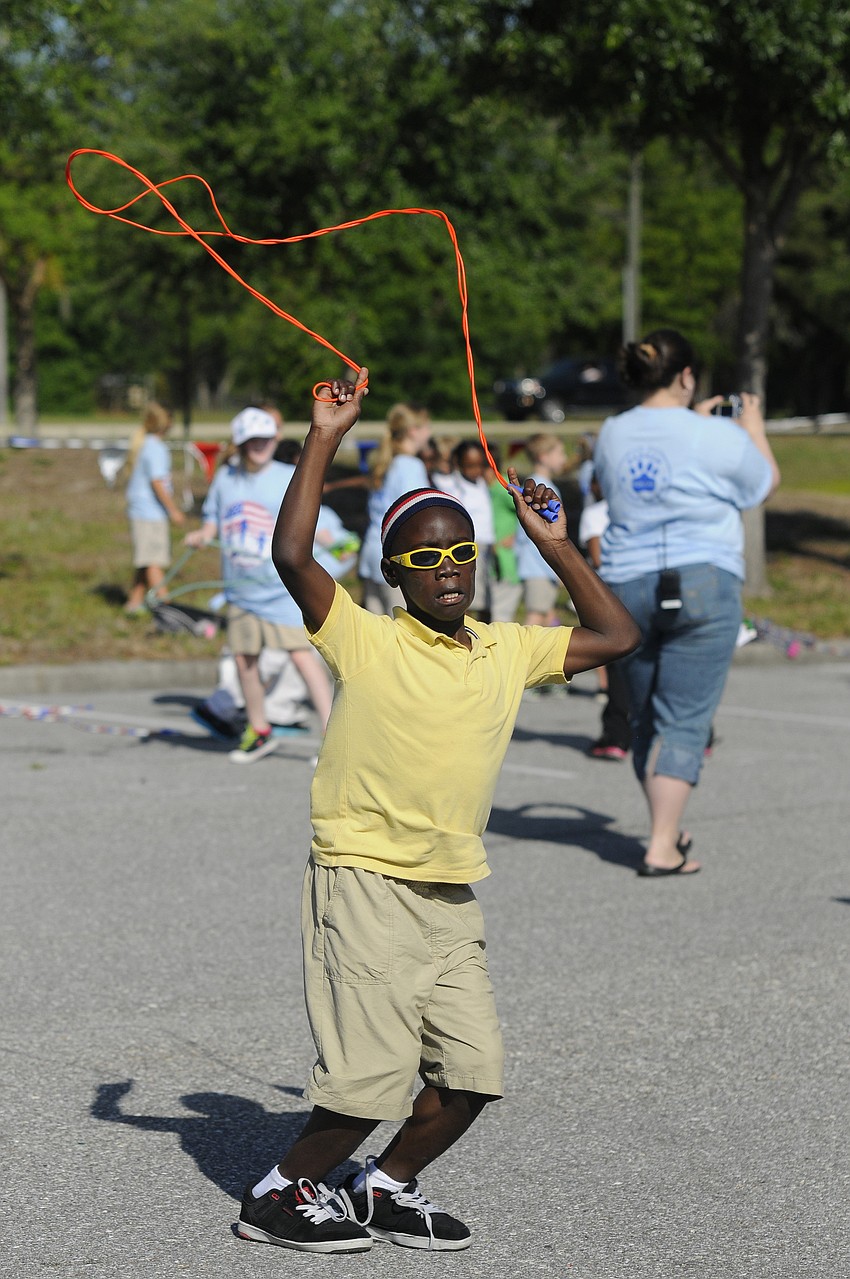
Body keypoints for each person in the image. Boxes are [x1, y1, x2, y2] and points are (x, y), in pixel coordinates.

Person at [232, 367, 640, 1254]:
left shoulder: (506, 649)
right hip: (366, 877)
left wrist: (552, 542)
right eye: (423, 557)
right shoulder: (366, 638)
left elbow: (616, 635)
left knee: (473, 1073)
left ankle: (382, 1185)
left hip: (449, 890)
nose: (446, 567)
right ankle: (278, 1192)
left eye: (459, 551)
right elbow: (293, 557)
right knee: (370, 1079)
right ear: (392, 573)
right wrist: (326, 438)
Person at [594, 329, 780, 876]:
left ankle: (667, 830)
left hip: (627, 583)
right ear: (686, 376)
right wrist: (752, 427)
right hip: (704, 578)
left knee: (644, 712)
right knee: (686, 717)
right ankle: (660, 844)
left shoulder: (611, 433)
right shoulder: (713, 436)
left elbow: (609, 487)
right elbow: (762, 484)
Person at [185, 407, 334, 763]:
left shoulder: (288, 474)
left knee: (302, 657)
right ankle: (259, 729)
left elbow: (310, 513)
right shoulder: (226, 479)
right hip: (242, 590)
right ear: (239, 444)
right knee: (244, 660)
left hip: (280, 590)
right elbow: (212, 518)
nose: (258, 446)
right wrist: (203, 534)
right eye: (251, 441)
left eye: (265, 439)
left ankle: (333, 737)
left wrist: (324, 533)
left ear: (275, 439)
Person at [357, 402, 432, 613]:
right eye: (427, 427)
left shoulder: (386, 462)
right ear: (413, 431)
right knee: (400, 630)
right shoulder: (410, 466)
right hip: (396, 555)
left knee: (375, 631)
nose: (429, 433)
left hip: (372, 551)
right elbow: (415, 516)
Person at [578, 471, 632, 760]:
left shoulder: (595, 514)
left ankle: (617, 736)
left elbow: (597, 558)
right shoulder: (636, 509)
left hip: (614, 592)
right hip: (645, 586)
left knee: (618, 669)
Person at [123, 403, 185, 614]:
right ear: (166, 424)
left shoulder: (147, 445)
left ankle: (134, 603)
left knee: (145, 558)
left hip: (144, 511)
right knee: (152, 561)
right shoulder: (156, 449)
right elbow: (157, 483)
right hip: (148, 513)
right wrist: (173, 510)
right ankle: (167, 608)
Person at [513, 433, 568, 627]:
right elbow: (544, 533)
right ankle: (522, 657)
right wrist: (557, 566)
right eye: (560, 453)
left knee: (546, 615)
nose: (564, 458)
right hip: (539, 565)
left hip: (540, 565)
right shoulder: (541, 488)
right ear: (544, 456)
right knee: (535, 618)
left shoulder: (538, 485)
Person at [436, 440, 495, 618]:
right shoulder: (452, 486)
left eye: (479, 465)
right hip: (468, 547)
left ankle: (484, 632)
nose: (475, 470)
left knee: (487, 595)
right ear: (458, 463)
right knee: (466, 593)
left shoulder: (483, 484)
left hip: (487, 546)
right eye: (469, 466)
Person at [486, 442, 522, 623]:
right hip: (491, 564)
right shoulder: (483, 489)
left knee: (500, 619)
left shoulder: (502, 489)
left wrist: (516, 535)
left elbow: (525, 510)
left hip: (506, 563)